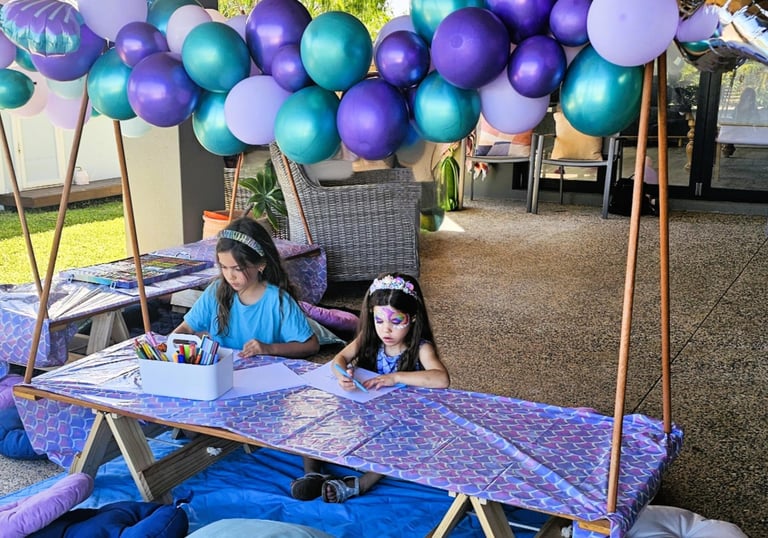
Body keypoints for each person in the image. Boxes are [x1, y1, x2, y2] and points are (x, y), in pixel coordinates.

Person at [290, 272, 449, 503]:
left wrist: (394, 378)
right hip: (365, 412)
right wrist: (343, 374)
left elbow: (441, 379)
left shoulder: (421, 348)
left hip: (401, 421)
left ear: (413, 318)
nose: (386, 330)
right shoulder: (369, 337)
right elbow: (338, 359)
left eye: (396, 321)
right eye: (379, 320)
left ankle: (362, 483)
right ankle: (312, 472)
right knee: (317, 418)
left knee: (401, 445)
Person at [174, 217, 319, 358]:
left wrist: (268, 348)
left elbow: (310, 345)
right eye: (224, 267)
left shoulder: (277, 300)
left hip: (265, 376)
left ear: (260, 265)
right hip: (221, 373)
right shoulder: (216, 290)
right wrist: (171, 345)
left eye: (238, 268)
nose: (230, 276)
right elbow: (186, 328)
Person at [722, 87, 757, 158]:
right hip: (738, 127)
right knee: (728, 131)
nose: (748, 98)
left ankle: (727, 148)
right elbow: (734, 117)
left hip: (748, 129)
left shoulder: (753, 109)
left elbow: (755, 121)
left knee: (731, 132)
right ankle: (727, 149)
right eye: (747, 96)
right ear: (744, 97)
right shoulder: (738, 107)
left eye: (750, 96)